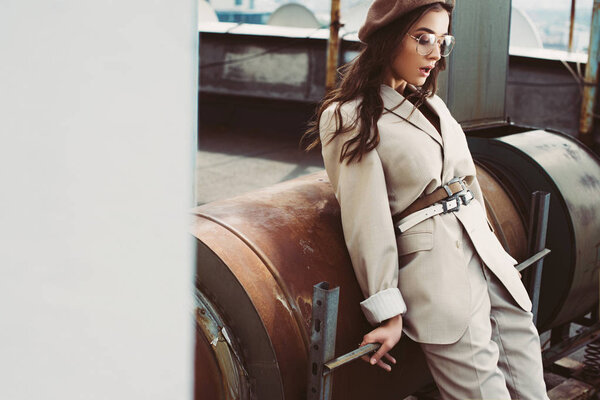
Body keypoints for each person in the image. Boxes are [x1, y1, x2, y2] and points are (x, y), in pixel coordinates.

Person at [301, 1, 550, 399]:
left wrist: (495, 254)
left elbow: (468, 182)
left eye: (442, 40)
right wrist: (387, 310)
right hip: (440, 278)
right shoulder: (350, 116)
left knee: (533, 389)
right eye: (423, 39)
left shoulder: (432, 104)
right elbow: (366, 219)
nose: (435, 53)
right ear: (387, 38)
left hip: (489, 263)